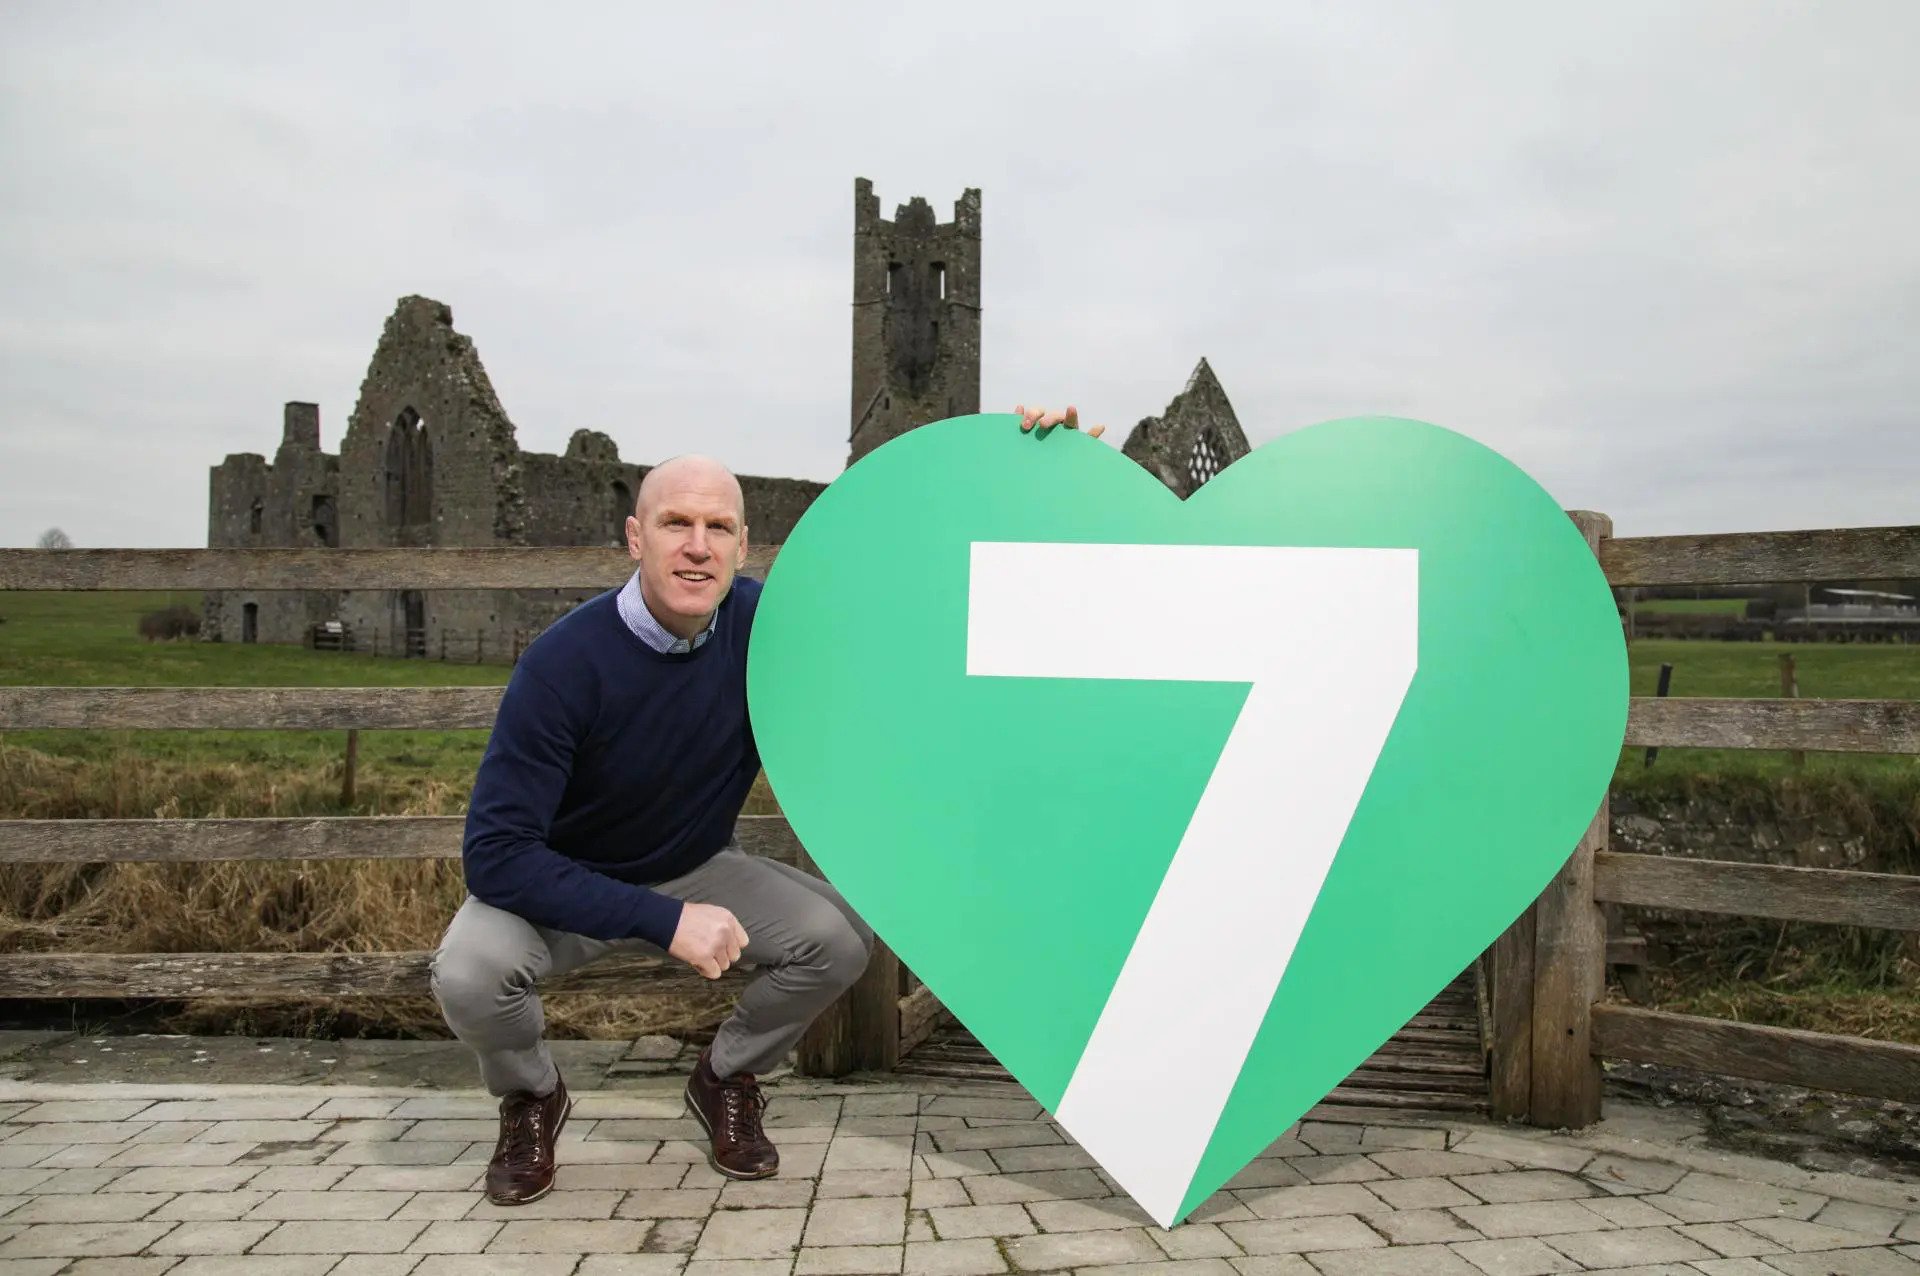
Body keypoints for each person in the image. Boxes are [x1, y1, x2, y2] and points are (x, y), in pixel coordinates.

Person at [430, 405, 1104, 1205]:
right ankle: (531, 1098)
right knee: (469, 974)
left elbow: (919, 590)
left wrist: (1035, 479)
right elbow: (498, 857)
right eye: (675, 523)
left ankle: (725, 1079)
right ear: (634, 538)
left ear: (744, 546)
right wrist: (664, 922)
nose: (697, 545)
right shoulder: (562, 664)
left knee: (841, 942)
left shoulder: (770, 627)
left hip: (692, 867)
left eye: (719, 527)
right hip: (560, 885)